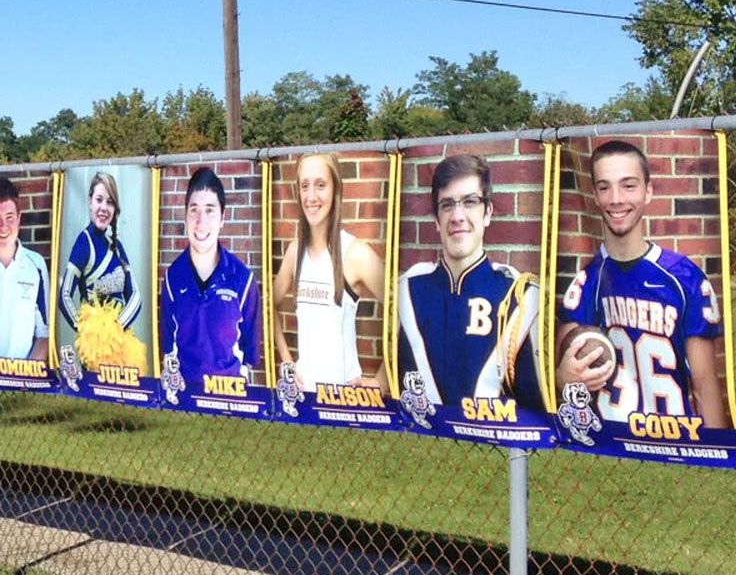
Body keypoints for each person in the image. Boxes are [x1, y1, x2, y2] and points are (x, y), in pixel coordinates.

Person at [556, 140, 725, 426]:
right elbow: (563, 380)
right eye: (605, 187)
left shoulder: (684, 278)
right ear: (595, 196)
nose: (616, 198)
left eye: (628, 185)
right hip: (611, 445)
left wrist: (717, 461)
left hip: (675, 442)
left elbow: (705, 385)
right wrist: (563, 378)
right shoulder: (587, 283)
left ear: (649, 191)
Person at [396, 153, 545, 409]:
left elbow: (534, 406)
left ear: (487, 213)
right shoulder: (408, 291)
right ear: (436, 220)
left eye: (470, 202)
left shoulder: (519, 297)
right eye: (447, 205)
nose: (457, 216)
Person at [273, 152, 386, 390]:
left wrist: (381, 380)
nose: (311, 196)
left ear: (336, 190)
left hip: (343, 403)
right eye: (305, 186)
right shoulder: (295, 252)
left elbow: (404, 312)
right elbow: (266, 306)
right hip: (303, 400)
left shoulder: (355, 253)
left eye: (321, 185)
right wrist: (287, 362)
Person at [161, 166, 261, 385]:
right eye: (194, 210)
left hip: (228, 402)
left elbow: (250, 350)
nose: (200, 221)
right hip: (184, 401)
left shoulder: (243, 280)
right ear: (185, 216)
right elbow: (168, 347)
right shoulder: (172, 278)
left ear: (222, 218)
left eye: (209, 210)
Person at [0, 177, 49, 361]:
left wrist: (24, 379)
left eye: (9, 218)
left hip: (21, 382)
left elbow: (44, 335)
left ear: (19, 218)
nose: (3, 226)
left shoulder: (36, 265)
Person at [58, 171, 140, 333]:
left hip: (122, 344)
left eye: (110, 202)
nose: (103, 207)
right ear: (90, 202)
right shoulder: (84, 243)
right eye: (99, 200)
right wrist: (87, 333)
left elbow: (135, 296)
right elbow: (64, 296)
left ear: (115, 209)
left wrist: (116, 329)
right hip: (96, 351)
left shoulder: (117, 246)